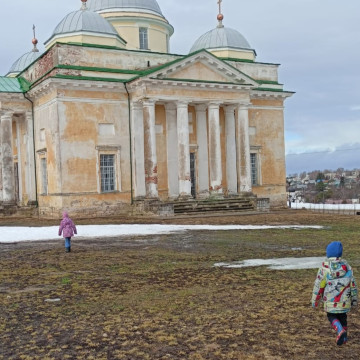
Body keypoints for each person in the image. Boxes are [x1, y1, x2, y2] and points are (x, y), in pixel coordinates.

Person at [311, 241, 358, 346]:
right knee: (343, 316)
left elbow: (319, 286)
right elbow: (353, 286)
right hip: (345, 302)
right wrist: (354, 300)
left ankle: (340, 330)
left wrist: (315, 301)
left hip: (331, 302)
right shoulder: (348, 268)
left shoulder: (324, 269)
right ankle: (344, 337)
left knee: (331, 316)